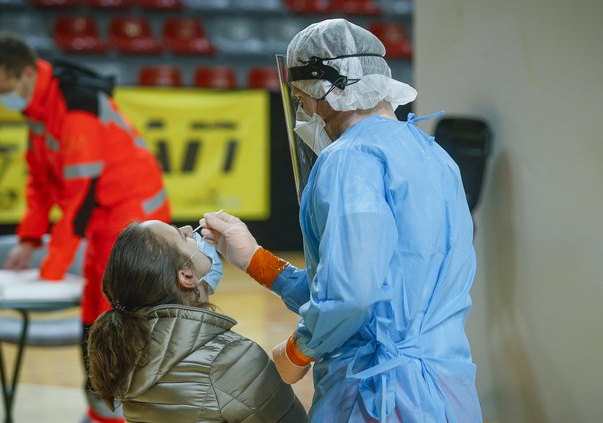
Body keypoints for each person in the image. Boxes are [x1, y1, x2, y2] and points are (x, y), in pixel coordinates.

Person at [200, 19, 482, 422]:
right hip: (446, 391)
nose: (304, 111)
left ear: (325, 88)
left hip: (377, 394)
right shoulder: (431, 153)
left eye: (302, 98)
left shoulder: (350, 159)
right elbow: (366, 287)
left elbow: (353, 296)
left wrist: (298, 352)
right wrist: (256, 260)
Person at [0, 32, 171, 423]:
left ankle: (126, 413)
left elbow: (77, 200)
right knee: (93, 318)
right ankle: (102, 410)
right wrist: (30, 240)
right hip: (103, 215)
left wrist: (48, 273)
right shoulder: (37, 110)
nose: (2, 98)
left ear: (28, 74)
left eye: (4, 88)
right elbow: (41, 184)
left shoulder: (76, 106)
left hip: (131, 216)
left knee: (115, 318)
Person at [87, 220, 308, 423]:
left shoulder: (129, 355)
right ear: (186, 277)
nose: (187, 229)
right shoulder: (232, 359)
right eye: (182, 237)